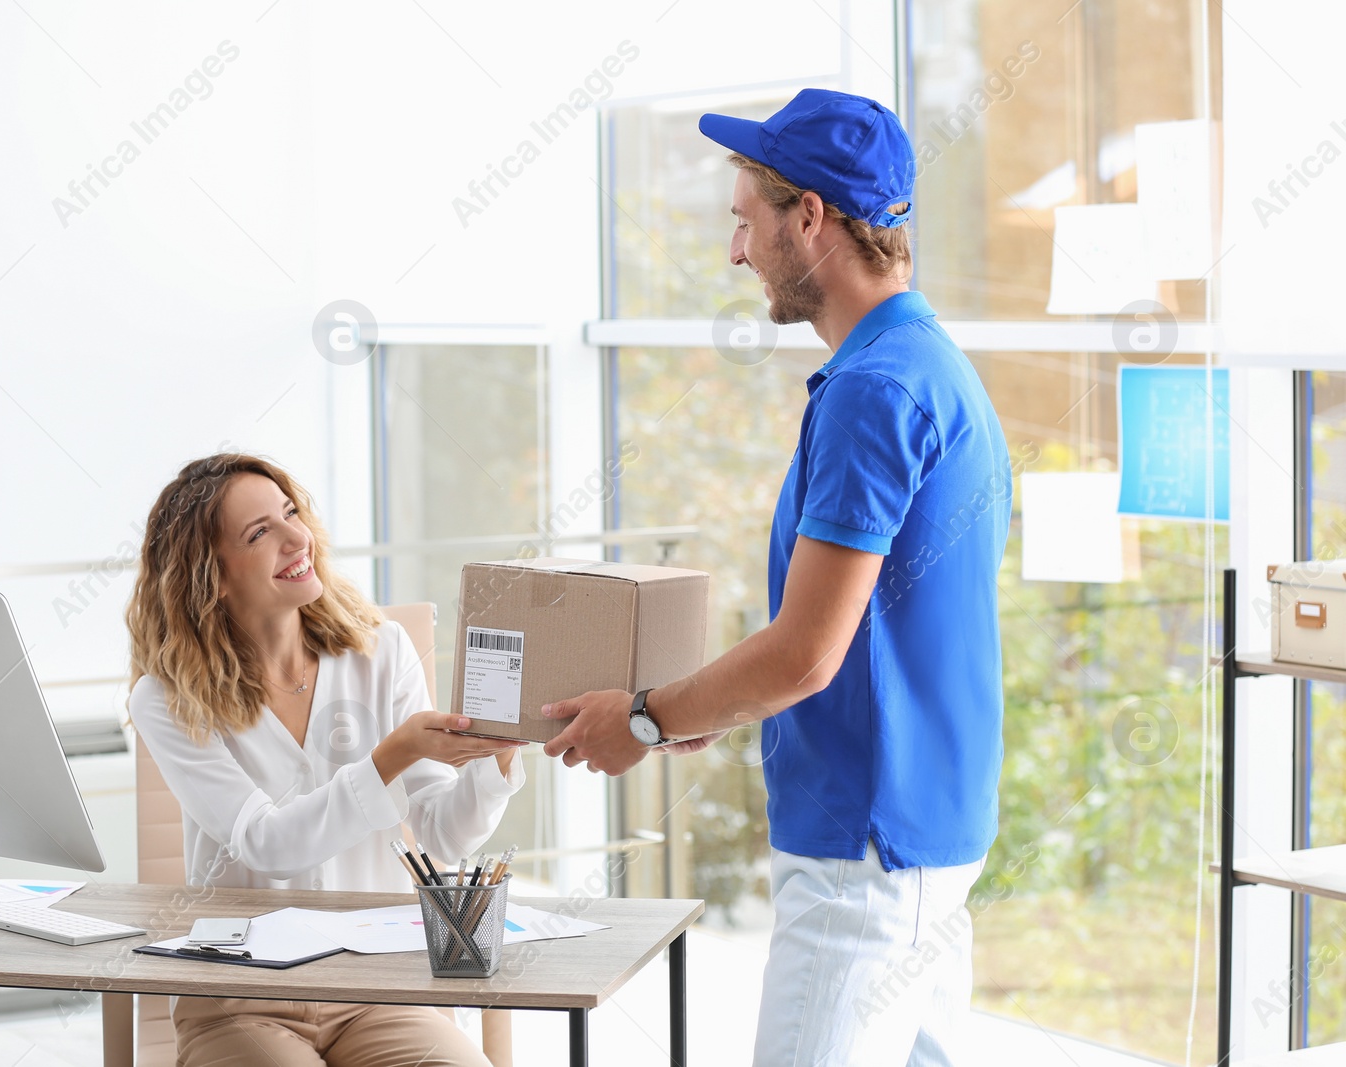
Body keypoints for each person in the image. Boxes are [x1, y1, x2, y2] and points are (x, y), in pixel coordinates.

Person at [540, 89, 1011, 1066]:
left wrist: (641, 718)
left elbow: (805, 653)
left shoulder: (874, 392)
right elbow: (868, 628)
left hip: (864, 847)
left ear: (810, 217)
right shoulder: (925, 365)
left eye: (744, 221)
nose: (736, 252)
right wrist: (703, 701)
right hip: (920, 830)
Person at [125, 452, 526, 1067]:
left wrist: (494, 755)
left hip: (377, 986)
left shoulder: (380, 650)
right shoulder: (168, 697)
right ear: (212, 576)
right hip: (243, 994)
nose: (297, 538)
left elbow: (443, 829)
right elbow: (266, 844)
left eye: (291, 514)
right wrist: (394, 753)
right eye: (261, 533)